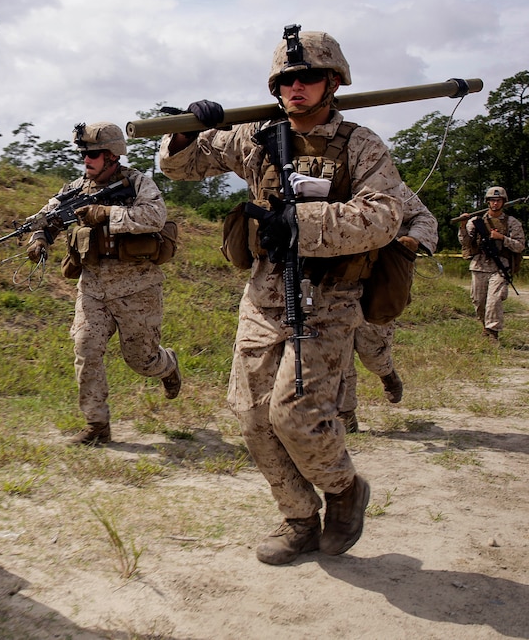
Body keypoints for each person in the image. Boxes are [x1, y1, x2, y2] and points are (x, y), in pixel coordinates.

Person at [158, 28, 404, 565]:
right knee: (250, 413)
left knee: (295, 413)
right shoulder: (253, 135)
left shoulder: (360, 144)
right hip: (264, 293)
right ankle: (297, 518)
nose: (297, 86)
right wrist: (182, 133)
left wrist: (300, 222)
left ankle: (343, 490)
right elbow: (180, 169)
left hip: (329, 296)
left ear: (333, 81)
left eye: (309, 76)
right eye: (287, 78)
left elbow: (386, 216)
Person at [25, 122, 182, 446]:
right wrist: (39, 237)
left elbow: (155, 217)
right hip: (93, 289)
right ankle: (97, 425)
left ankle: (167, 366)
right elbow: (47, 217)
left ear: (112, 155)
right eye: (84, 154)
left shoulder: (138, 183)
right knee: (86, 349)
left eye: (94, 154)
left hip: (137, 289)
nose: (87, 160)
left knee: (142, 360)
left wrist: (106, 214)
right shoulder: (74, 189)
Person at [337, 182, 439, 432]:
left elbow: (425, 218)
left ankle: (386, 372)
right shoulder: (327, 182)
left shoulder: (388, 185)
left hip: (379, 280)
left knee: (372, 350)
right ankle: (345, 413)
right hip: (336, 279)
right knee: (337, 349)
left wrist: (413, 240)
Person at [457, 186, 525, 344]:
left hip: (500, 266)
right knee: (479, 301)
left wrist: (502, 238)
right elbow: (465, 242)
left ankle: (493, 333)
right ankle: (485, 328)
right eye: (492, 200)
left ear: (503, 202)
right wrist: (462, 225)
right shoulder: (476, 221)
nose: (495, 203)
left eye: (498, 200)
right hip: (479, 265)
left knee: (494, 300)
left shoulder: (512, 223)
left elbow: (520, 246)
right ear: (487, 202)